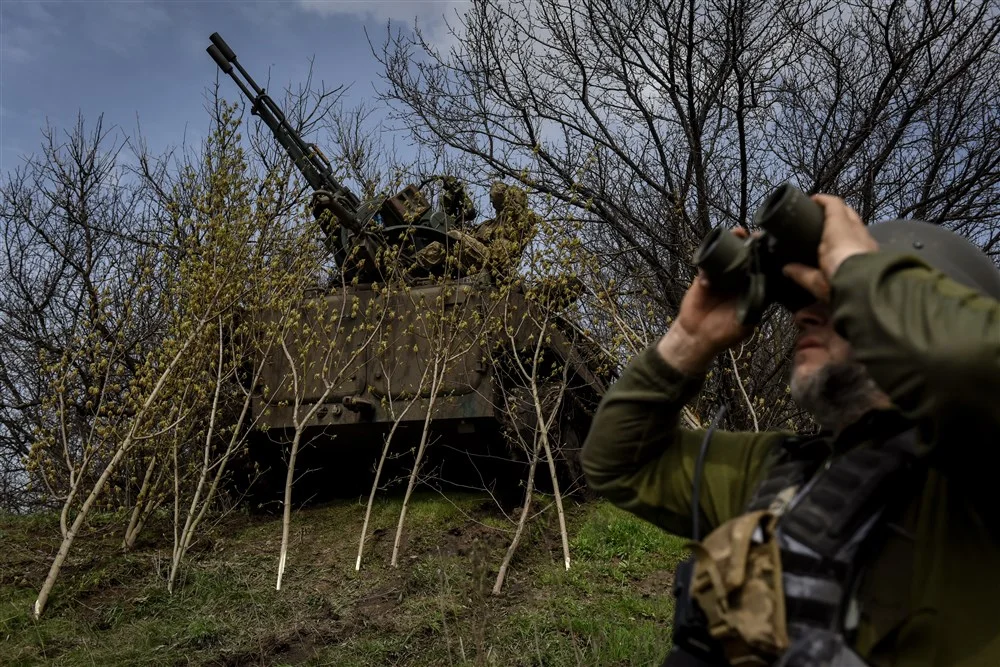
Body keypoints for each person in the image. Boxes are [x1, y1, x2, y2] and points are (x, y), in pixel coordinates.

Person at [580, 194, 1000, 667]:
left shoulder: (969, 480)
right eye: (804, 301)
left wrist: (854, 268)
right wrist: (688, 340)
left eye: (834, 300)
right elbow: (620, 463)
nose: (802, 315)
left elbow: (969, 366)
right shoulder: (784, 469)